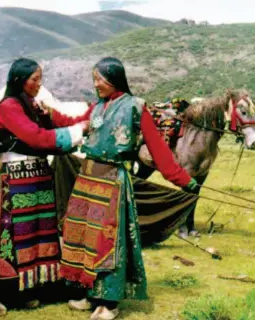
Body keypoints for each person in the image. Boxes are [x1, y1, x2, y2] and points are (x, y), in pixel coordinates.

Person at [59, 57, 198, 320]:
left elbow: (159, 150)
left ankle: (109, 302)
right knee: (84, 237)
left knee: (108, 242)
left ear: (113, 78)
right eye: (95, 79)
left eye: (99, 79)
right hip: (88, 178)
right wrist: (47, 114)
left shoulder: (136, 107)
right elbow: (74, 120)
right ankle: (89, 293)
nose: (96, 84)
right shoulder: (97, 107)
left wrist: (183, 180)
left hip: (113, 180)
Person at [0, 57, 91, 316]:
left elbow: (55, 124)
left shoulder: (32, 105)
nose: (39, 84)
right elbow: (36, 138)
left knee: (37, 235)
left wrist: (86, 115)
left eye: (40, 79)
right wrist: (78, 130)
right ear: (19, 80)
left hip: (38, 178)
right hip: (15, 181)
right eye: (34, 79)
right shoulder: (9, 106)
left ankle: (27, 290)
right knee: (7, 238)